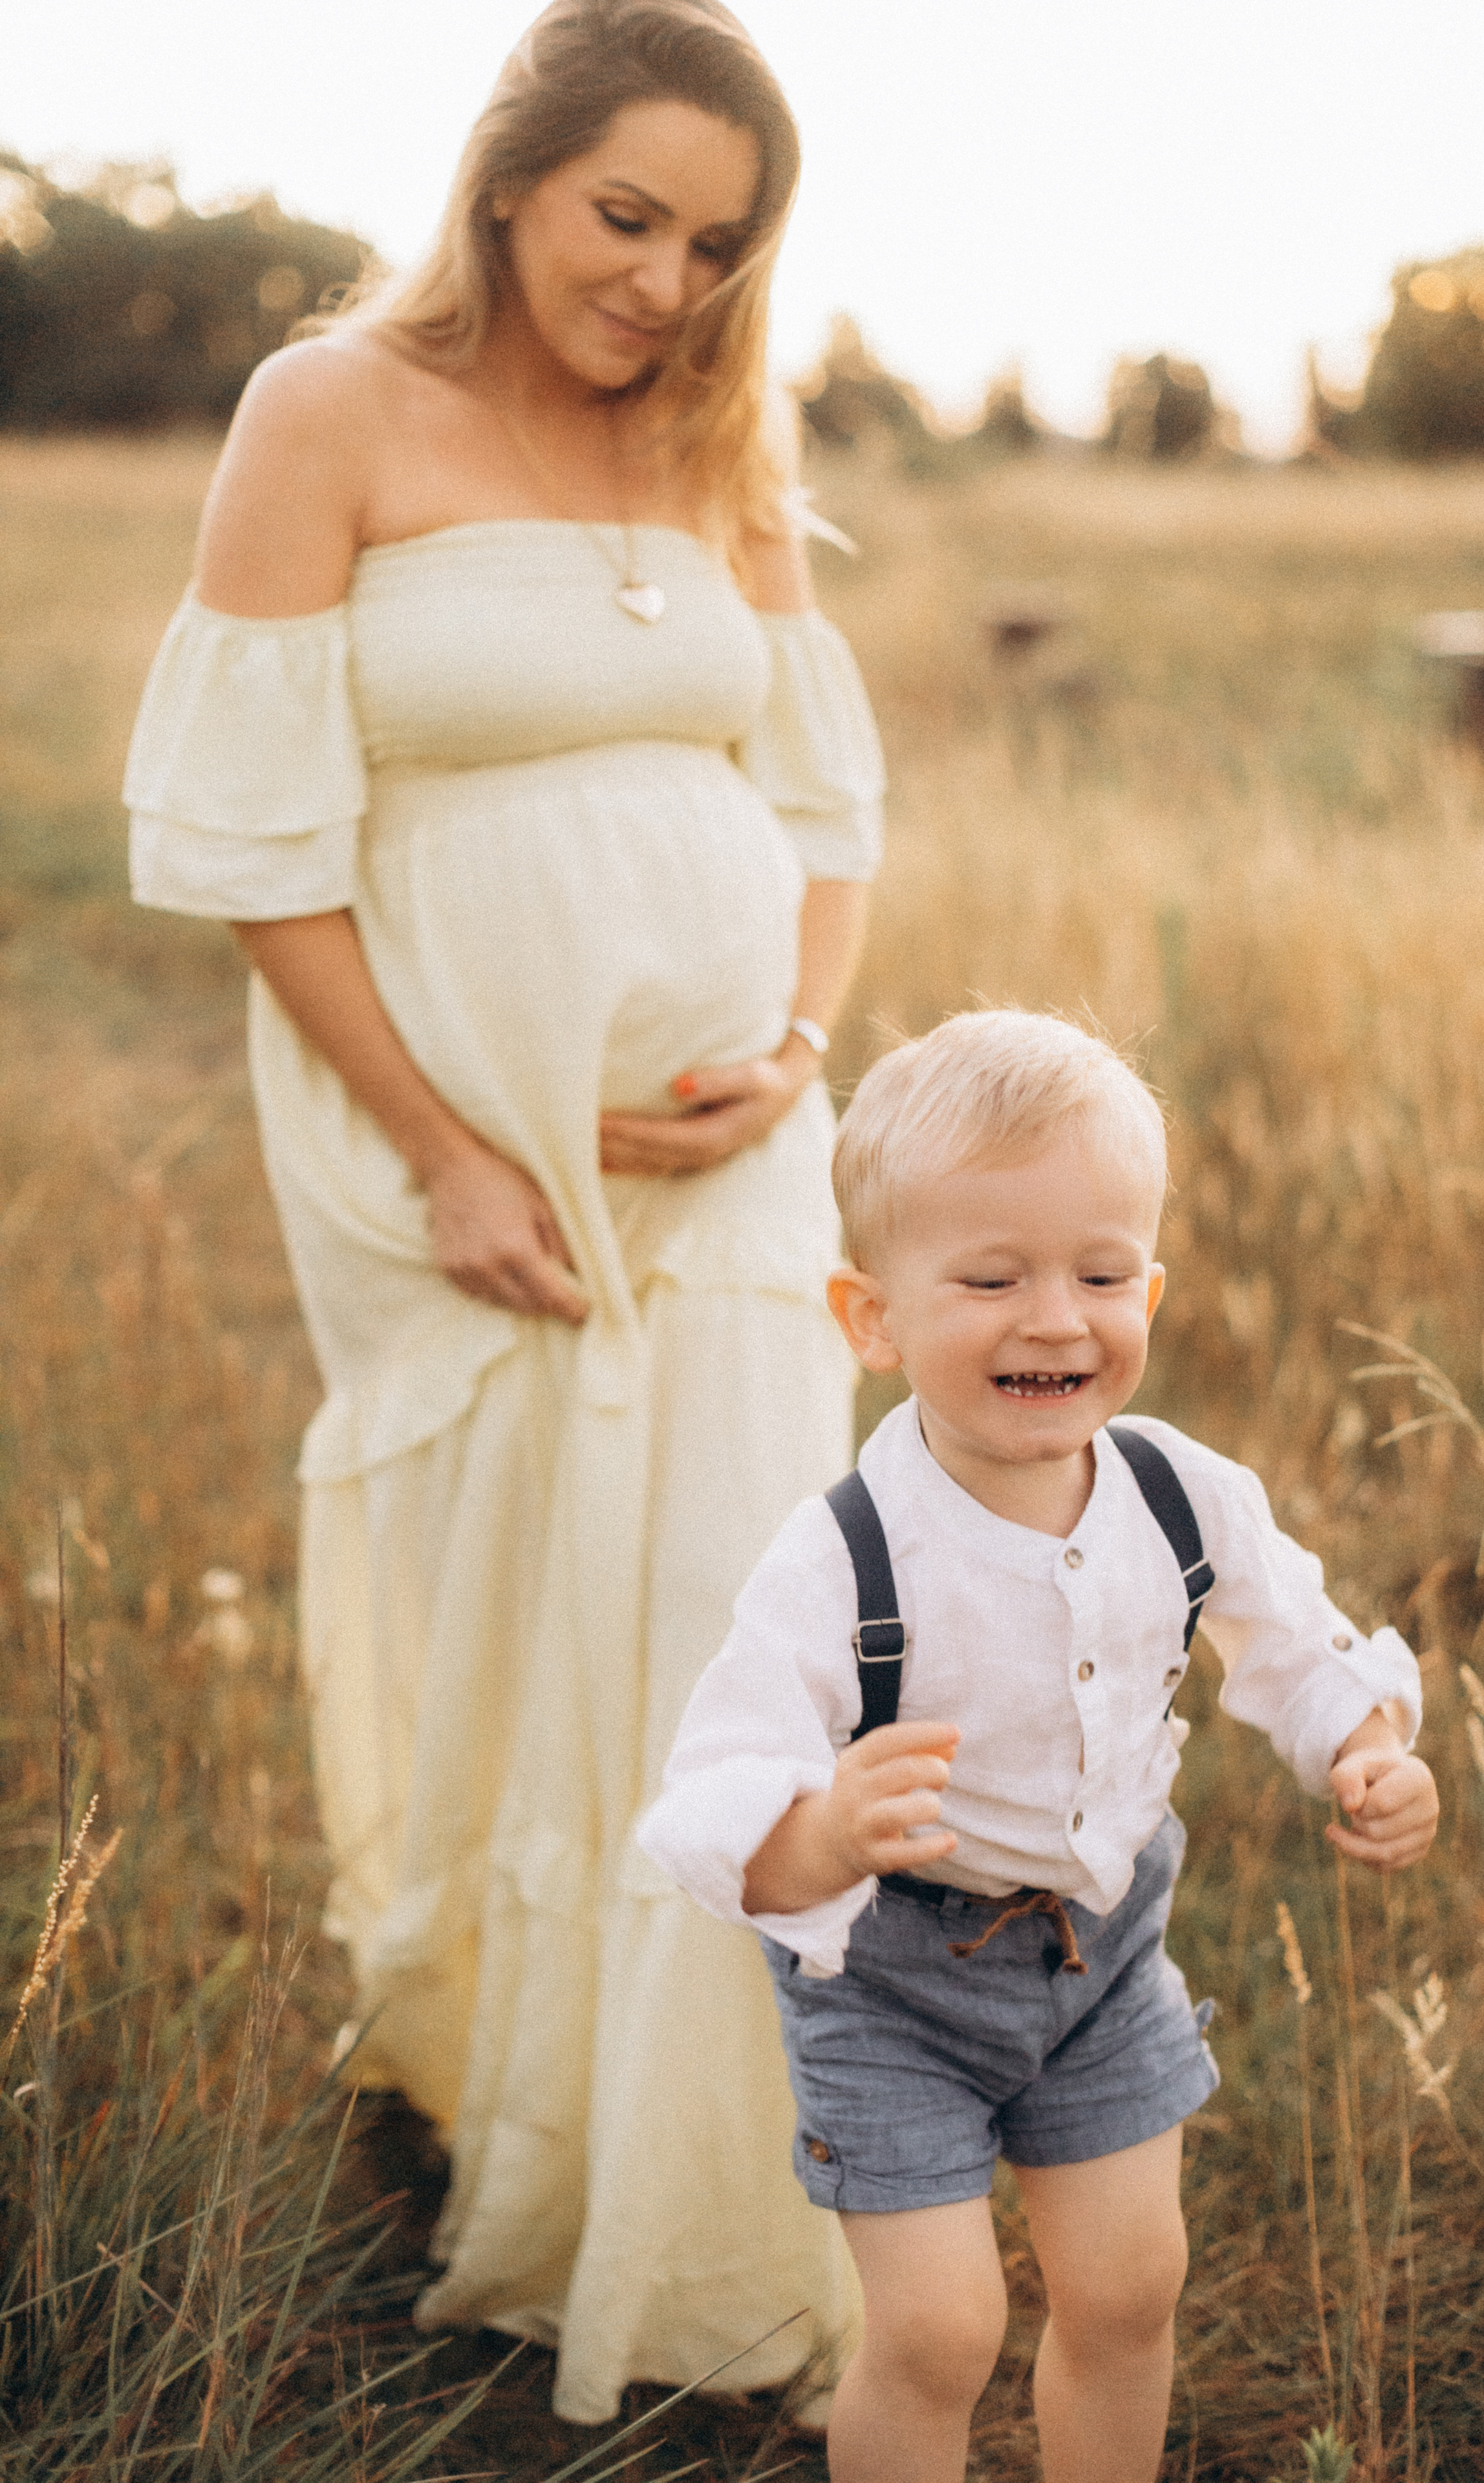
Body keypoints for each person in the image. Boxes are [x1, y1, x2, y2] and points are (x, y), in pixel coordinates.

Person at [124, 0, 885, 2427]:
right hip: (458, 1170)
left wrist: (796, 1045)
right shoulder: (330, 412)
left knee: (720, 1631)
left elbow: (826, 817)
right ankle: (488, 2118)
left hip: (734, 1167)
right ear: (510, 184)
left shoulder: (716, 440)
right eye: (626, 218)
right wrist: (455, 1146)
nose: (664, 284)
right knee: (511, 1633)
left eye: (716, 245)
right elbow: (256, 837)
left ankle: (719, 2208)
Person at [639, 1009, 1441, 2483]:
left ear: (1149, 1282)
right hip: (889, 1977)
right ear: (869, 1318)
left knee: (1131, 2290)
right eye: (990, 1278)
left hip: (1098, 1958)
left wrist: (1364, 1745)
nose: (1055, 1319)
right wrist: (815, 1836)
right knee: (941, 2330)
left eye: (1097, 1273)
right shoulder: (843, 1555)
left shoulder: (1176, 1493)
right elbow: (711, 1783)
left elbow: (1292, 1637)